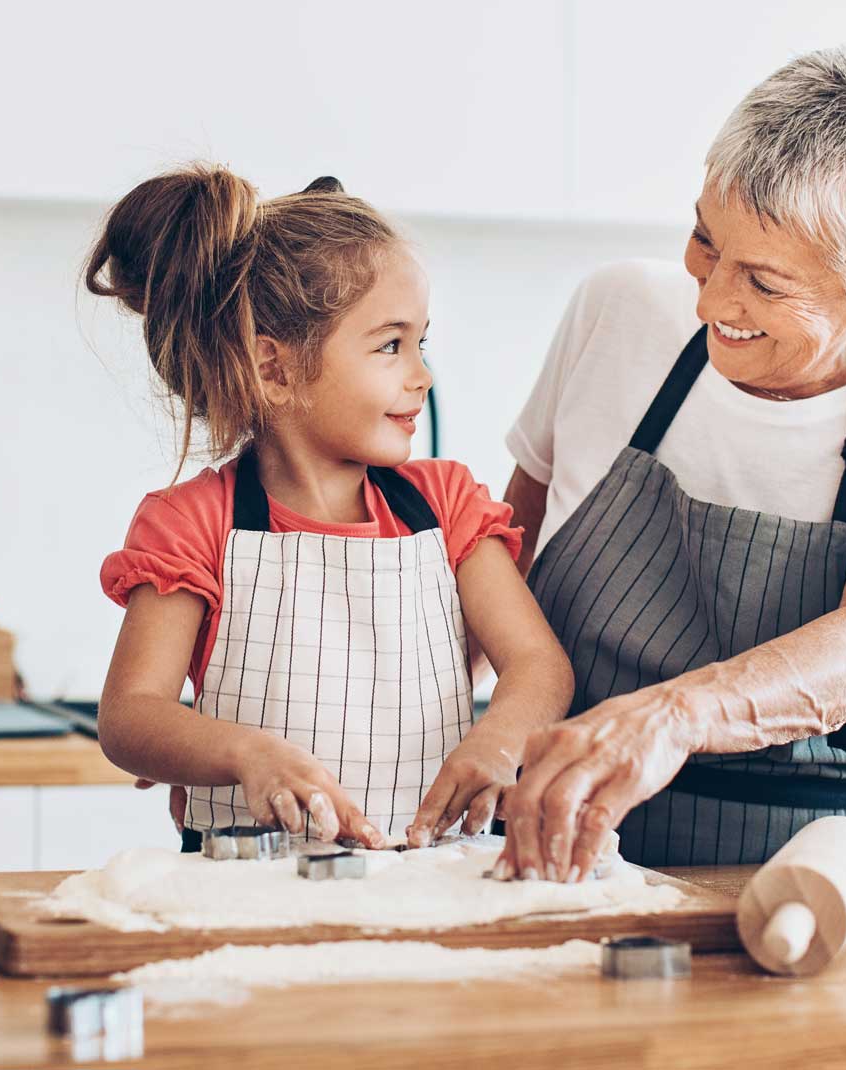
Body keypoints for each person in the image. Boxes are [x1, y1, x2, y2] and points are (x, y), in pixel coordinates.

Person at [494, 46, 846, 882]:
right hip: (572, 843)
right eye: (705, 243)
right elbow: (503, 560)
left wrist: (674, 717)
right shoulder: (616, 311)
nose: (711, 302)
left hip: (845, 867)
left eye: (765, 282)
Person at [89, 165, 573, 851]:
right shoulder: (195, 523)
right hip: (247, 885)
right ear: (274, 370)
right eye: (390, 345)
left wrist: (498, 739)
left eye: (421, 342)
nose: (422, 375)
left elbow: (539, 664)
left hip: (428, 878)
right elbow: (130, 716)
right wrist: (246, 754)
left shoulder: (446, 505)